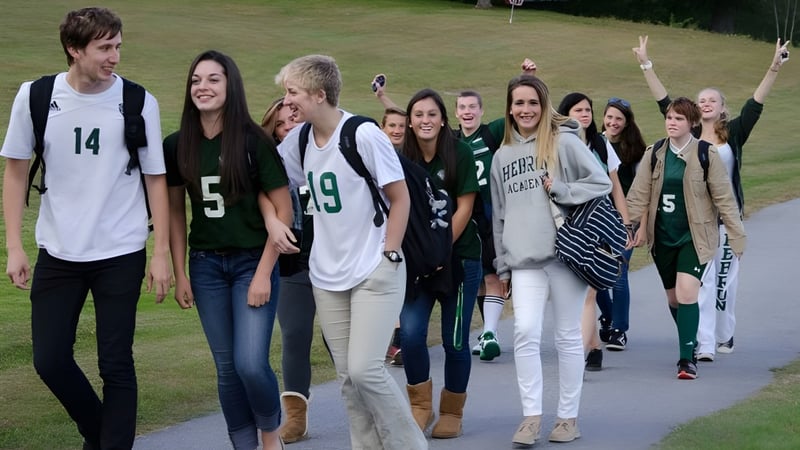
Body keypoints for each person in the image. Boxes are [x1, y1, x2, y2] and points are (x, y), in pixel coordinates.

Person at [2, 8, 170, 449]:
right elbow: (16, 172)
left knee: (115, 363)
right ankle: (103, 435)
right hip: (58, 252)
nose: (115, 56)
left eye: (118, 46)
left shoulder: (138, 101)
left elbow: (156, 180)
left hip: (121, 249)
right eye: (104, 48)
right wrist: (14, 246)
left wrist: (161, 253)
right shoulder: (35, 96)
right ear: (75, 50)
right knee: (50, 360)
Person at [274, 54, 427, 450]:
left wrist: (389, 254)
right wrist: (274, 221)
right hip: (326, 275)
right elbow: (269, 182)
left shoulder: (362, 134)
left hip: (374, 267)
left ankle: (410, 445)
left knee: (365, 370)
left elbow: (400, 197)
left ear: (319, 94)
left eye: (292, 93)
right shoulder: (300, 139)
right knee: (347, 380)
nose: (286, 102)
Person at [632, 35, 789, 361]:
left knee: (723, 285)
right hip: (692, 223)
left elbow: (755, 105)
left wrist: (774, 67)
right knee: (696, 287)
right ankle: (701, 345)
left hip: (724, 220)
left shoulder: (733, 132)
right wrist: (646, 63)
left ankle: (724, 334)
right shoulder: (683, 134)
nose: (705, 103)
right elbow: (663, 99)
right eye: (701, 99)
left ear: (721, 108)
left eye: (712, 100)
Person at [164, 50, 292, 450]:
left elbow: (283, 209)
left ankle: (271, 436)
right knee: (226, 368)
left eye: (213, 79)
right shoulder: (177, 144)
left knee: (251, 363)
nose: (202, 86)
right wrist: (181, 272)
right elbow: (173, 214)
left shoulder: (253, 140)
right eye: (196, 80)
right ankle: (242, 444)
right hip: (205, 267)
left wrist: (262, 273)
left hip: (253, 260)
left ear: (230, 85)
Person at [490, 75, 612, 446]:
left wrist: (561, 189)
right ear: (509, 108)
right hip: (524, 258)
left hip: (565, 255)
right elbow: (499, 215)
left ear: (544, 106)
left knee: (566, 337)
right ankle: (531, 416)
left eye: (532, 103)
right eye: (519, 103)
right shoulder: (502, 155)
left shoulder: (564, 142)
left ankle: (567, 418)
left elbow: (601, 183)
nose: (525, 110)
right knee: (525, 332)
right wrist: (503, 265)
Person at [626, 97, 746, 380]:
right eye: (669, 117)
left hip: (696, 236)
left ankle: (686, 359)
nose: (671, 122)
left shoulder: (706, 153)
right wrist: (627, 227)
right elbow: (638, 194)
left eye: (678, 118)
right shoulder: (655, 153)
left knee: (687, 292)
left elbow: (724, 198)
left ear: (692, 123)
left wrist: (736, 235)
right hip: (663, 237)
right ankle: (688, 340)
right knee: (674, 298)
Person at [399, 88, 481, 439]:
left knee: (456, 341)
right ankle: (420, 406)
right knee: (412, 335)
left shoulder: (459, 152)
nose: (425, 120)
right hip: (417, 263)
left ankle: (452, 411)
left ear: (443, 119)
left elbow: (465, 205)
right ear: (410, 121)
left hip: (459, 259)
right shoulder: (401, 157)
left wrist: (439, 247)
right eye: (418, 115)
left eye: (432, 114)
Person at [557, 92, 635, 371]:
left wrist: (626, 224)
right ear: (566, 115)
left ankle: (578, 356)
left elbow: (616, 186)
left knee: (589, 291)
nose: (585, 115)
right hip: (571, 224)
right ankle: (594, 347)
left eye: (588, 110)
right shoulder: (559, 144)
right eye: (578, 110)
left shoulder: (600, 144)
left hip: (601, 221)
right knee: (578, 291)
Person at [260, 97, 320, 443]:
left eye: (294, 122)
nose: (288, 129)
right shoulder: (269, 167)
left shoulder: (329, 153)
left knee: (340, 343)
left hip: (336, 262)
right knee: (295, 335)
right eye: (281, 124)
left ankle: (366, 407)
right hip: (293, 263)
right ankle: (295, 416)